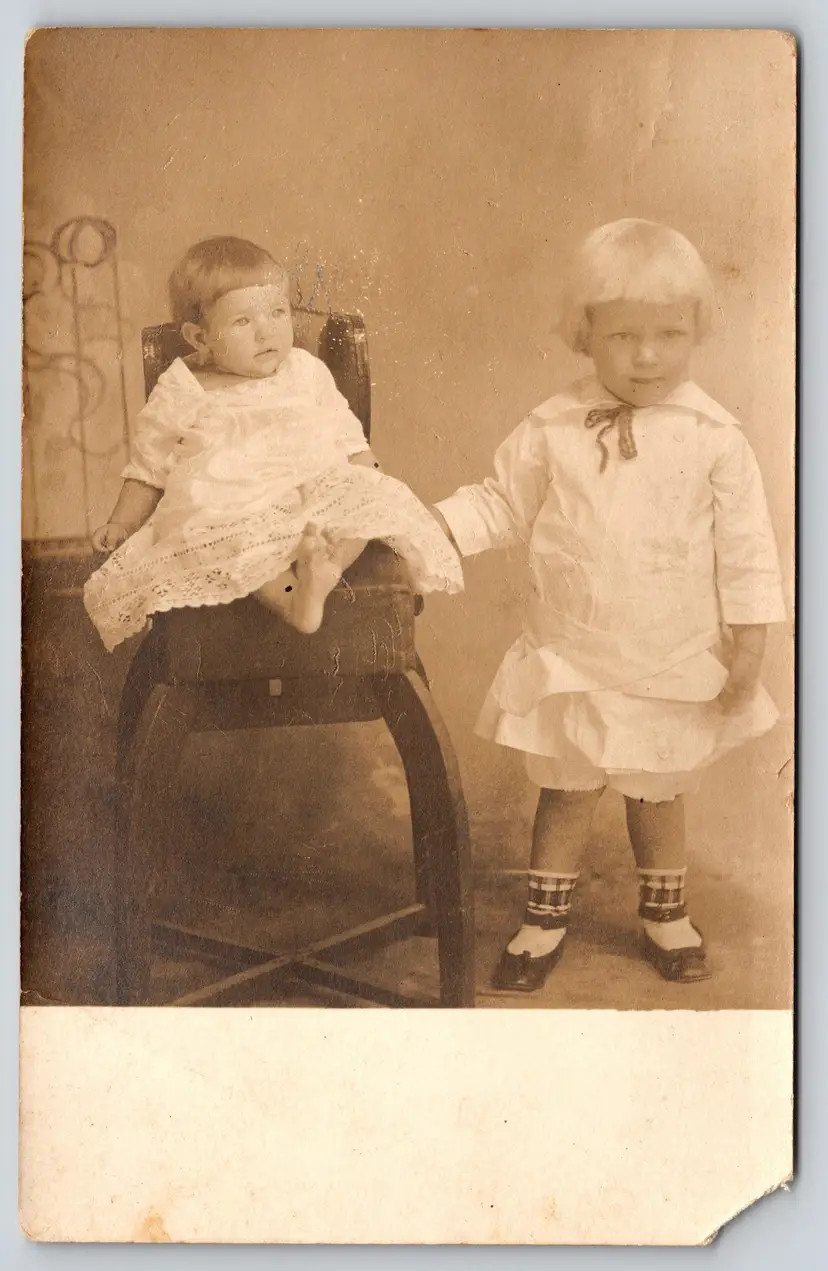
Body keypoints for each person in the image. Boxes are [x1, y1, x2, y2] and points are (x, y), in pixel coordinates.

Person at [432, 219, 786, 992]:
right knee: (567, 786)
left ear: (697, 331)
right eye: (624, 335)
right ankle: (542, 919)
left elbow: (749, 549)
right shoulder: (552, 427)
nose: (648, 355)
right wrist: (431, 532)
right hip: (575, 650)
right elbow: (500, 504)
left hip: (669, 648)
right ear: (585, 332)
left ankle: (666, 913)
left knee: (658, 786)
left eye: (669, 334)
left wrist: (750, 644)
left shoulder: (713, 436)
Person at [85, 236, 462, 650]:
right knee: (228, 541)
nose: (267, 332)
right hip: (233, 503)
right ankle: (296, 601)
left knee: (365, 502)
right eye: (243, 322)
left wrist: (376, 487)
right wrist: (122, 522)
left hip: (310, 491)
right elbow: (149, 467)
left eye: (277, 312)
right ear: (200, 336)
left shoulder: (305, 370)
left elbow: (350, 442)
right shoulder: (183, 384)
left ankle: (324, 566)